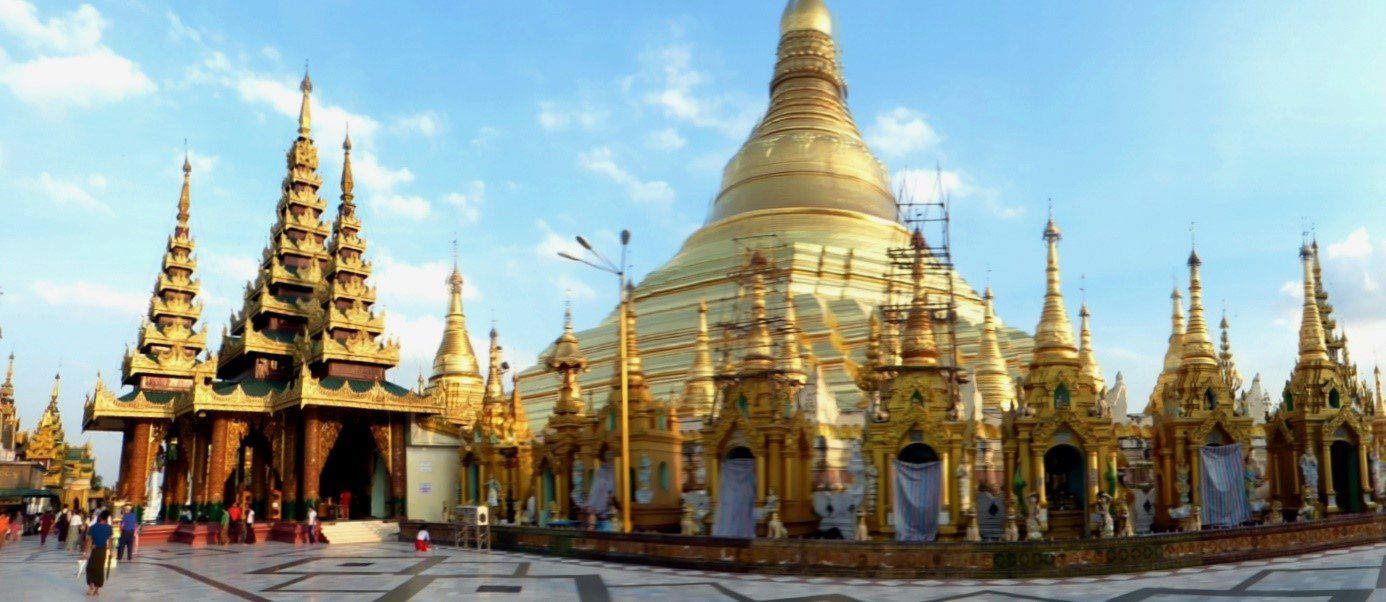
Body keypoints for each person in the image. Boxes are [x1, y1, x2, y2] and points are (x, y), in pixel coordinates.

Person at [85, 511, 114, 597]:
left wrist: (86, 552)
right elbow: (111, 541)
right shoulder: (109, 528)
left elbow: (89, 540)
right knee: (100, 569)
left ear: (100, 518)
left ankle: (91, 586)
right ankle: (96, 590)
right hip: (103, 551)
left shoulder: (93, 527)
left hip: (95, 550)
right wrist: (111, 552)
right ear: (107, 519)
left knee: (90, 568)